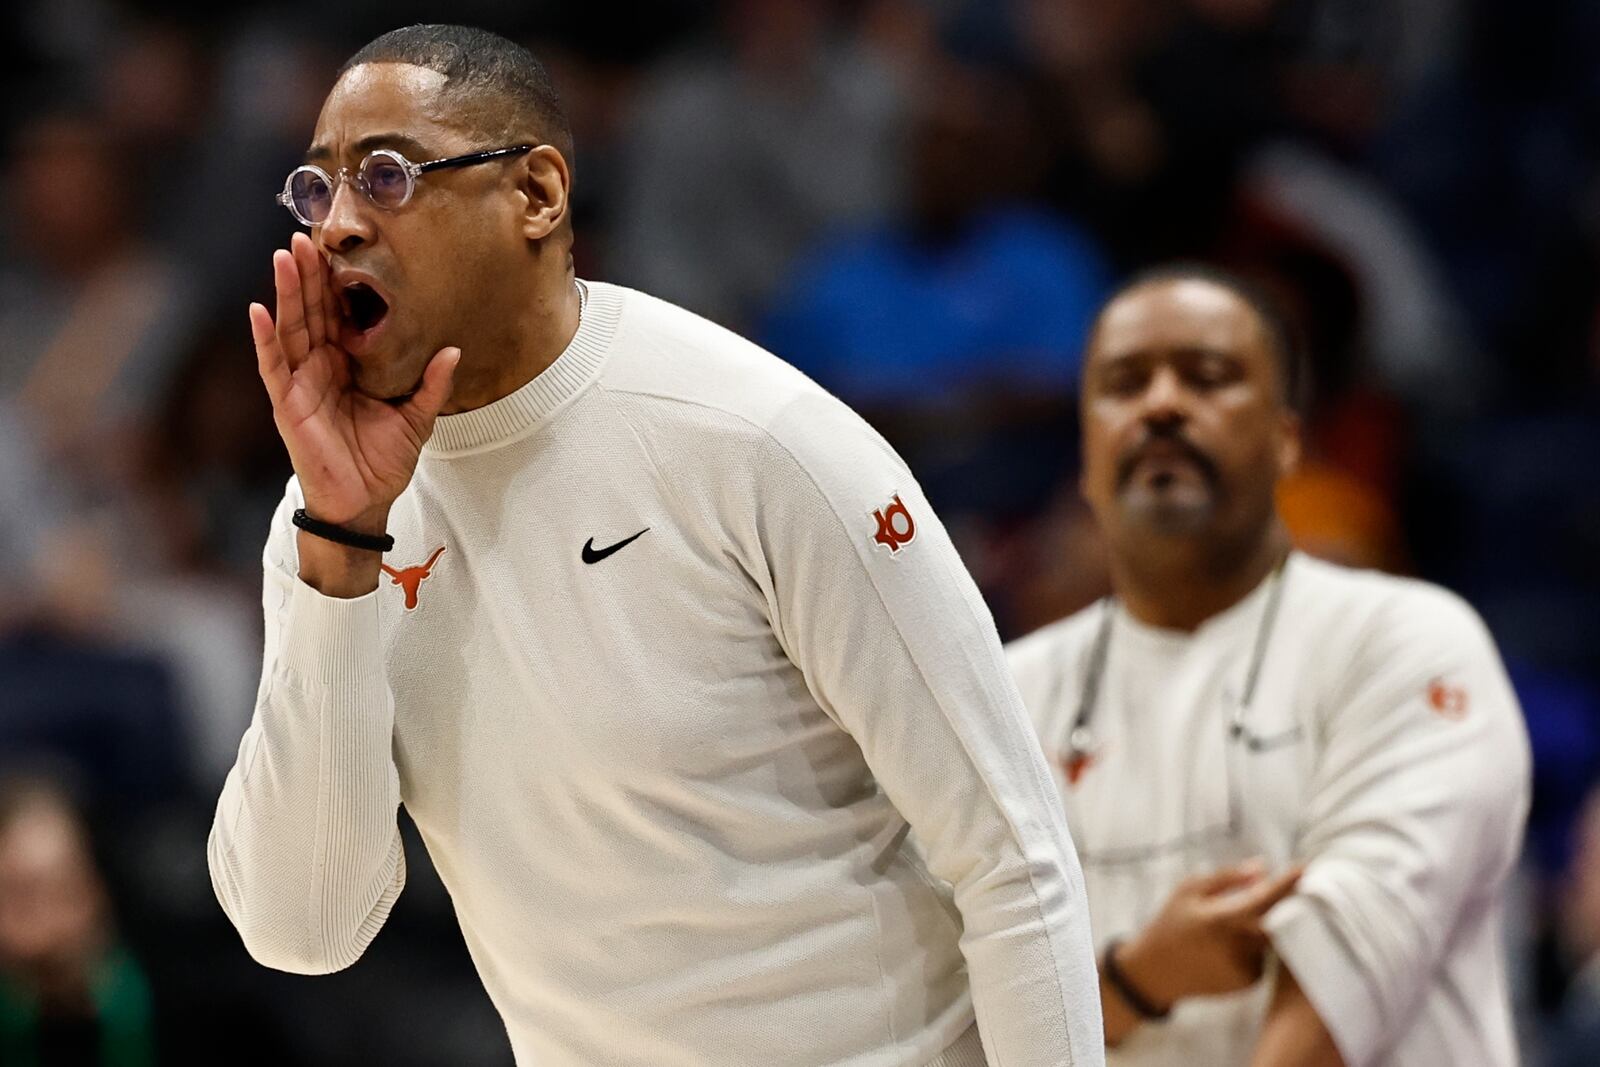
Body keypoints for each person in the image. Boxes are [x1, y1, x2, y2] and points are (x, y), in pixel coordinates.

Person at [207, 24, 1101, 1067]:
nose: (340, 228)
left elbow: (1016, 860)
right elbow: (303, 928)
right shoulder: (328, 524)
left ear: (537, 194)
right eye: (316, 192)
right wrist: (341, 546)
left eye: (389, 177)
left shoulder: (758, 440)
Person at [1006, 265, 1529, 1065]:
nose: (1162, 403)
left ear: (1288, 439)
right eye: (1125, 383)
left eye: (1208, 377)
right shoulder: (1003, 694)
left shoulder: (1407, 640)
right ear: (1085, 455)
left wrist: (1100, 995)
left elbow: (1334, 997)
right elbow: (962, 1010)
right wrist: (1139, 973)